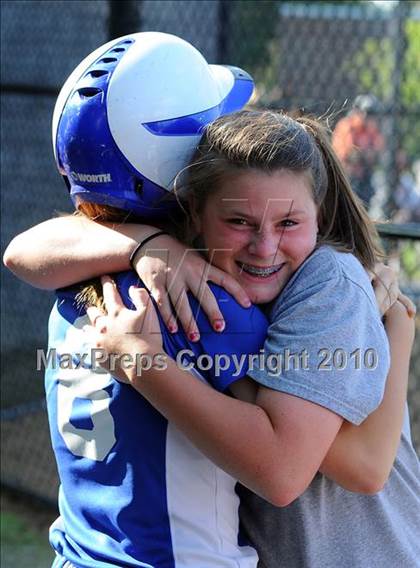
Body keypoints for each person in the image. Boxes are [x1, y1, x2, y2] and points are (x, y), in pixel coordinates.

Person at [5, 108, 419, 568]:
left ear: (317, 217)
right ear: (192, 213)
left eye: (288, 223)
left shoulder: (324, 282)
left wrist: (145, 365)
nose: (264, 246)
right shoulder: (187, 270)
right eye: (240, 222)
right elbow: (23, 250)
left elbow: (356, 466)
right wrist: (145, 244)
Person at [332, 94, 384, 208]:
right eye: (367, 112)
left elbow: (378, 153)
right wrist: (365, 154)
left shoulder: (371, 128)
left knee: (367, 203)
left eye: (372, 113)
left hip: (365, 176)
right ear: (358, 111)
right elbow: (349, 154)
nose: (369, 116)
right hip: (347, 176)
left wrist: (362, 154)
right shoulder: (347, 125)